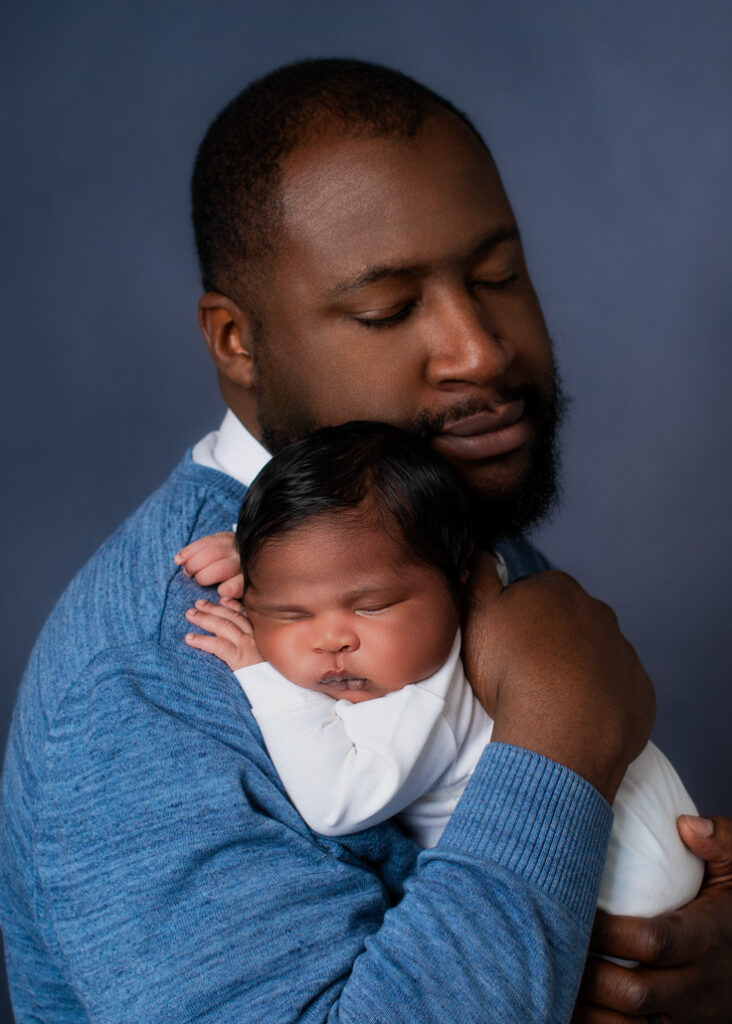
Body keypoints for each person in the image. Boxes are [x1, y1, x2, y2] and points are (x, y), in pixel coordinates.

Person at [0, 58, 729, 1023]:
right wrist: (558, 737)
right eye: (388, 309)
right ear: (237, 343)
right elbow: (552, 758)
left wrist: (694, 947)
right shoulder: (157, 671)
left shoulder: (419, 512)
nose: (480, 350)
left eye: (498, 275)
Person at [180, 419, 703, 919]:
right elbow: (350, 554)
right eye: (290, 612)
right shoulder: (465, 589)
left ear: (455, 580)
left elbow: (336, 804)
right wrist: (257, 552)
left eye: (372, 607)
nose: (331, 639)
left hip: (629, 883)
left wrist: (260, 674)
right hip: (663, 834)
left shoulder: (426, 701)